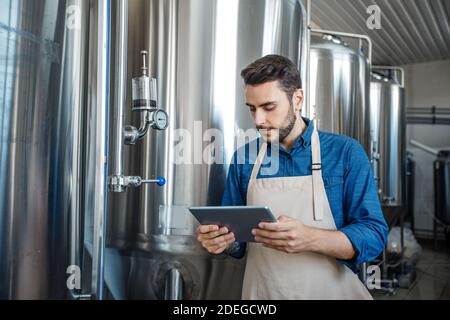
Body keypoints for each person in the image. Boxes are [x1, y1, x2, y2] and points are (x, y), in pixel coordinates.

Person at [196, 54, 388, 299]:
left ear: (297, 99)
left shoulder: (345, 153)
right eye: (252, 109)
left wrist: (311, 239)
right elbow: (238, 243)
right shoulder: (244, 158)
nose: (258, 120)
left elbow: (374, 234)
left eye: (269, 107)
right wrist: (221, 241)